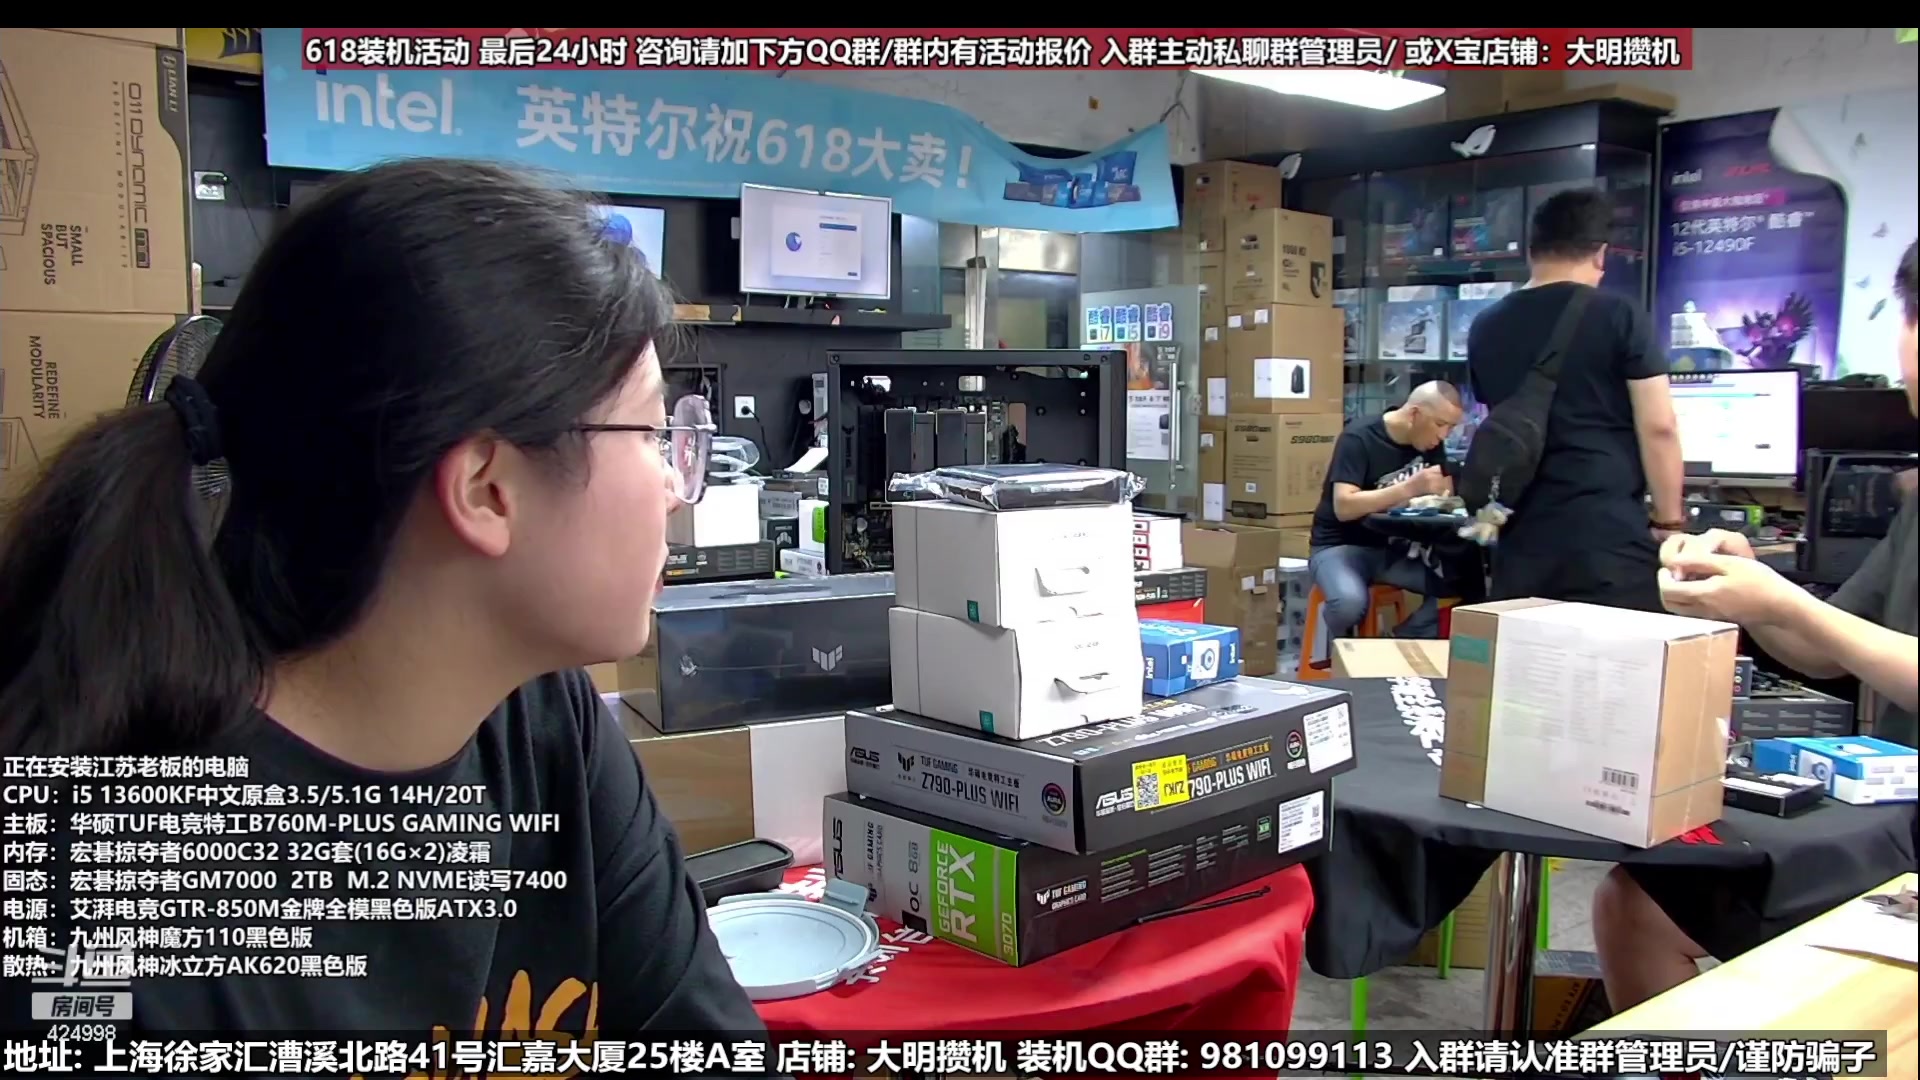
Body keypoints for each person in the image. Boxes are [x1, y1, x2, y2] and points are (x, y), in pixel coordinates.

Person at [0, 160, 762, 1038]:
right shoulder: (101, 911)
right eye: (652, 432)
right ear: (486, 488)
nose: (673, 486)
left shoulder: (541, 723)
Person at [1590, 239, 1920, 1012]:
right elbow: (1829, 648)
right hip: (1891, 807)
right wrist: (1751, 597)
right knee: (1637, 903)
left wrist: (1786, 603)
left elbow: (1818, 628)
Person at [1467, 189, 1688, 611]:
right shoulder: (1620, 315)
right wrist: (1668, 521)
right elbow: (1659, 427)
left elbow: (1499, 418)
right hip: (1606, 538)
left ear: (1530, 251)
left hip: (1520, 536)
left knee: (1529, 649)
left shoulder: (1485, 325)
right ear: (1600, 254)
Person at [1306, 381, 1463, 652]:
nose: (1444, 435)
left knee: (1462, 587)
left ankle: (1394, 645)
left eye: (1451, 427)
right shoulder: (1359, 437)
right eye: (1440, 424)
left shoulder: (1429, 445)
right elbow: (1344, 506)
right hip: (1339, 546)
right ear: (1415, 414)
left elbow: (1443, 490)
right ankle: (1335, 655)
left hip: (1391, 548)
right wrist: (1409, 488)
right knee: (1348, 604)